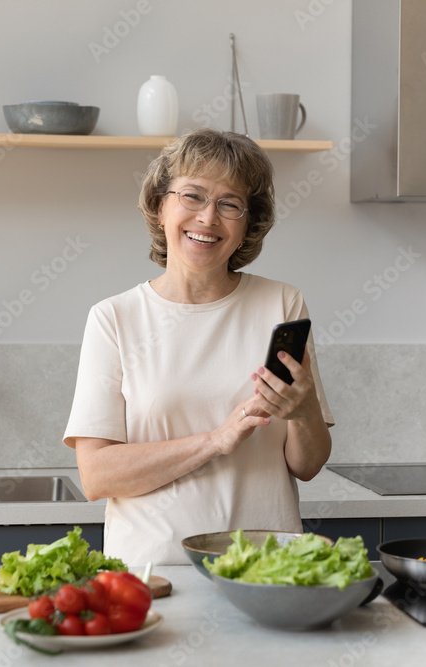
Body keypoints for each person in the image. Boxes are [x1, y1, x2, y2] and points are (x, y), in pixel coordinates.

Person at [63, 129, 334, 566]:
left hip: (265, 567)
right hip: (154, 570)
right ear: (159, 205)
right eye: (192, 196)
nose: (208, 218)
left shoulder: (282, 304)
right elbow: (97, 475)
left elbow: (307, 465)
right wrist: (215, 440)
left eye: (230, 204)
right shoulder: (114, 318)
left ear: (248, 223)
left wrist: (303, 411)